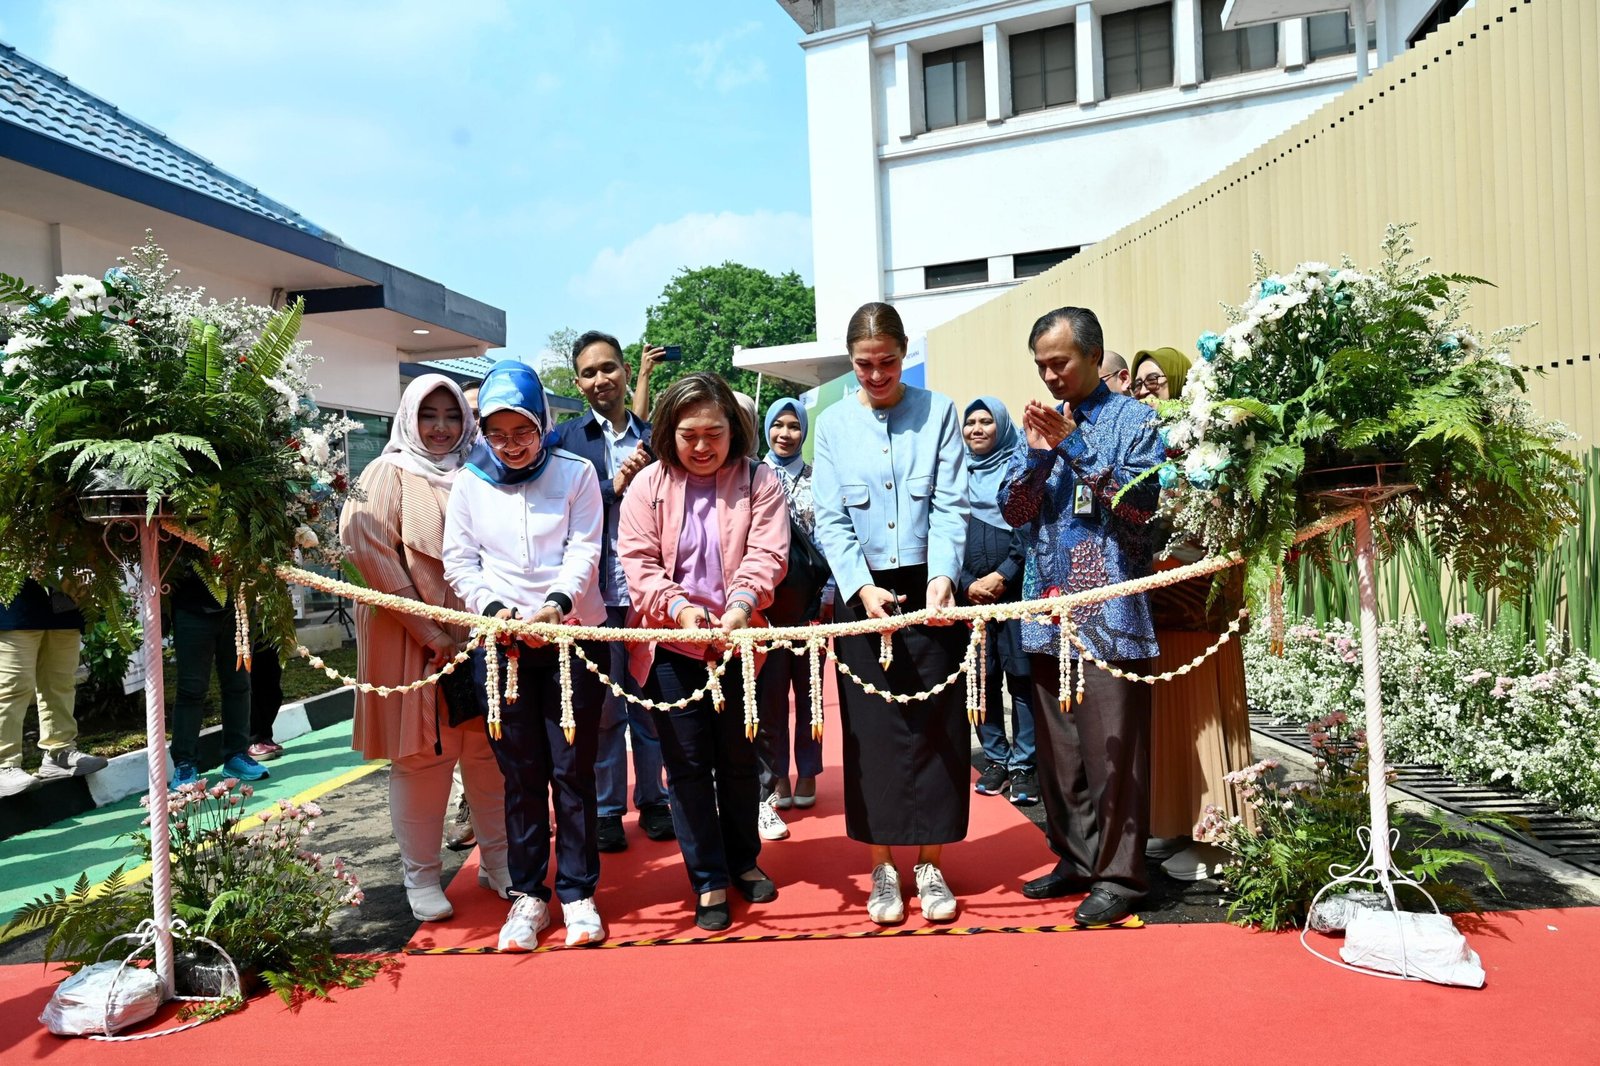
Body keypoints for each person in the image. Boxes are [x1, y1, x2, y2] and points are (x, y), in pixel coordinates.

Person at [999, 306, 1164, 929]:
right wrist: (1040, 455)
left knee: (1112, 751)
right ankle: (1075, 857)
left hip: (1112, 612)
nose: (1049, 376)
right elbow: (1013, 511)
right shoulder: (1037, 425)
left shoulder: (1136, 420)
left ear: (1094, 356)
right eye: (1040, 365)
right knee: (1060, 753)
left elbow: (1141, 506)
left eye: (1059, 362)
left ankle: (1122, 875)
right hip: (1046, 608)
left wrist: (1074, 444)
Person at [812, 301, 970, 926]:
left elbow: (953, 504)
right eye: (863, 366)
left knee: (936, 726)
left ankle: (930, 862)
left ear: (906, 355)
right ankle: (882, 866)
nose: (876, 377)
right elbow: (830, 516)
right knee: (872, 734)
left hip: (931, 587)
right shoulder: (832, 424)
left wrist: (943, 577)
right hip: (865, 593)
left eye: (887, 363)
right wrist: (860, 586)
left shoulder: (939, 412)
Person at [444, 360, 609, 950]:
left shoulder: (576, 473)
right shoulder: (469, 481)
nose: (511, 446)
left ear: (543, 422)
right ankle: (529, 896)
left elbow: (585, 547)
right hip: (504, 644)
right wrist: (494, 611)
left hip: (571, 639)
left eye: (523, 431)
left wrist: (557, 605)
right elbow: (460, 561)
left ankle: (578, 892)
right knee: (519, 774)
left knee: (571, 770)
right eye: (497, 433)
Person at [617, 372, 790, 931]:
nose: (701, 446)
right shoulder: (647, 486)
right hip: (671, 646)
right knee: (687, 766)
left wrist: (738, 607)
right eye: (688, 434)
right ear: (669, 432)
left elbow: (768, 554)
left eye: (713, 433)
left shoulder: (759, 481)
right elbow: (639, 564)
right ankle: (708, 878)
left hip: (740, 640)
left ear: (732, 430)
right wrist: (681, 611)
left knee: (739, 761)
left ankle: (744, 861)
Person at [340, 374, 509, 925]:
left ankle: (500, 863)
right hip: (411, 640)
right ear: (409, 418)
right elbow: (367, 550)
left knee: (490, 752)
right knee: (423, 758)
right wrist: (432, 632)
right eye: (429, 415)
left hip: (484, 636)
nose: (441, 428)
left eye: (452, 416)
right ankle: (420, 875)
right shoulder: (384, 473)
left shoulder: (484, 473)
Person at [1130, 346, 1253, 881]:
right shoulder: (1150, 445)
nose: (1146, 390)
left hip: (1201, 601)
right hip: (1162, 604)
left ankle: (1222, 838)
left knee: (1205, 717)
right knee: (1173, 721)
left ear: (1180, 381)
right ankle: (1182, 824)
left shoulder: (1208, 445)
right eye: (1137, 384)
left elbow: (1221, 522)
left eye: (1155, 379)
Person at [555, 331, 673, 853]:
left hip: (648, 595)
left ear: (626, 371)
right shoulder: (565, 441)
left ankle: (654, 800)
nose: (600, 379)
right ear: (578, 383)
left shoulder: (657, 437)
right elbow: (557, 511)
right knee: (602, 712)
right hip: (590, 599)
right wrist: (612, 488)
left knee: (651, 704)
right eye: (588, 372)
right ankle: (607, 809)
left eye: (608, 368)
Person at [752, 397, 831, 840]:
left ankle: (810, 771)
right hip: (766, 606)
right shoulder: (753, 476)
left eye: (793, 426)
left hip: (811, 603)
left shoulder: (819, 478)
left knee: (810, 692)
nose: (786, 434)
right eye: (778, 426)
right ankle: (776, 773)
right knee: (769, 695)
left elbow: (832, 535)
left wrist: (831, 593)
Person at [957, 397, 1038, 807]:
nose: (976, 428)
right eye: (969, 422)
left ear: (1002, 425)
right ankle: (996, 759)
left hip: (1016, 592)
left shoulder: (1018, 469)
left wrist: (1004, 574)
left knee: (1021, 679)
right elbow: (946, 535)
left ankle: (1025, 765)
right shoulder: (955, 476)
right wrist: (968, 583)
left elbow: (1029, 530)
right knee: (981, 680)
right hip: (971, 599)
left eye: (986, 420)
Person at [0, 580, 107, 798]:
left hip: (64, 603)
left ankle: (60, 752)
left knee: (61, 683)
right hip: (15, 604)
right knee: (13, 686)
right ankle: (4, 765)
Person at [168, 556, 267, 787]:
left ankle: (236, 755)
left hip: (238, 604)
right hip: (191, 606)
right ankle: (185, 764)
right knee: (191, 689)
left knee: (239, 684)